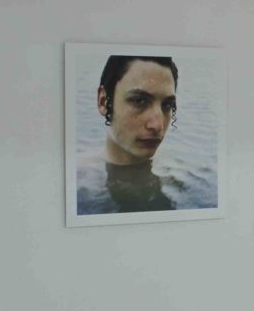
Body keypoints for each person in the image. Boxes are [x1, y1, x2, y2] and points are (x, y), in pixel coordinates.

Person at [77, 55, 180, 215]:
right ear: (103, 101)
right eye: (139, 101)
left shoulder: (178, 174)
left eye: (167, 105)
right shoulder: (78, 182)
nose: (157, 125)